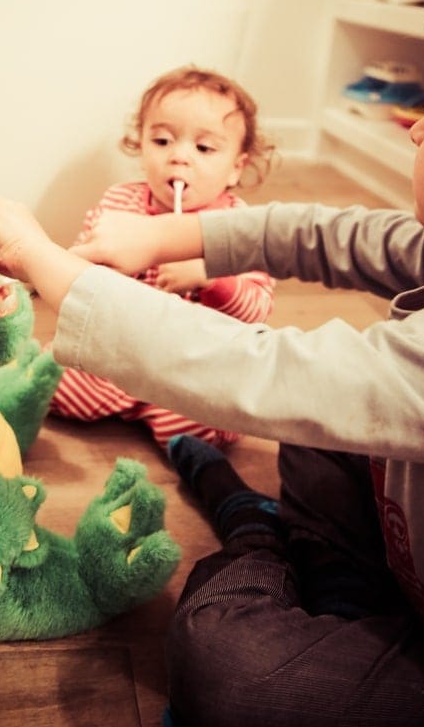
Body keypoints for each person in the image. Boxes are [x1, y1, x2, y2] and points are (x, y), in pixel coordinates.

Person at [0, 0, 424, 727]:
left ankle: (252, 534)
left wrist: (48, 267)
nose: (417, 130)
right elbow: (323, 233)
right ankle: (347, 589)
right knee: (323, 434)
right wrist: (162, 242)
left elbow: (260, 366)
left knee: (224, 667)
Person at [48, 65, 275, 451]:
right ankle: (122, 397)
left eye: (204, 148)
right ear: (141, 146)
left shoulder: (241, 225)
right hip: (121, 354)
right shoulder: (120, 203)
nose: (179, 157)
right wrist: (104, 266)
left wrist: (212, 277)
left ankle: (173, 415)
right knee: (52, 381)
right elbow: (82, 277)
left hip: (193, 365)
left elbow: (256, 307)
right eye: (163, 141)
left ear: (236, 168)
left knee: (213, 420)